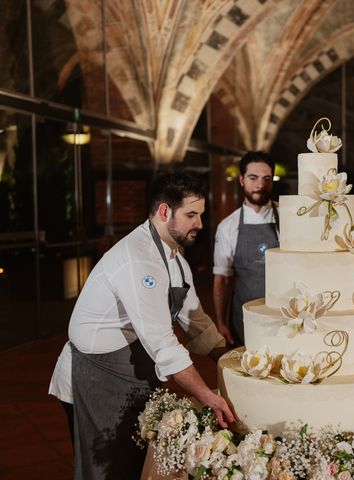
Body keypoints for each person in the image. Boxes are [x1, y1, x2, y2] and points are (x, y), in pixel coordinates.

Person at [56, 170, 235, 480]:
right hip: (97, 375)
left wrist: (232, 360)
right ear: (165, 212)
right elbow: (164, 344)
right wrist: (208, 396)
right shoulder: (139, 259)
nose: (200, 225)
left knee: (134, 461)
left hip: (131, 368)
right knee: (107, 469)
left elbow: (195, 319)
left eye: (201, 215)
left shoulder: (175, 258)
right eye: (192, 215)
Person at [212, 151, 279, 346]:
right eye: (253, 178)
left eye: (267, 178)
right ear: (241, 180)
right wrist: (220, 322)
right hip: (244, 319)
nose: (260, 185)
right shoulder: (228, 226)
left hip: (284, 316)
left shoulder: (287, 217)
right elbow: (222, 279)